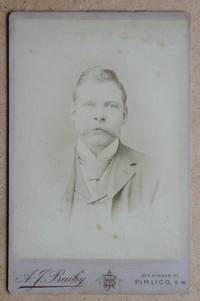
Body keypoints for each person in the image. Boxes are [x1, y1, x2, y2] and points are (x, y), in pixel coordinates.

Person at [63, 66, 161, 224]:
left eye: (110, 105)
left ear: (124, 115)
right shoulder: (43, 172)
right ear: (73, 113)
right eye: (89, 104)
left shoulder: (156, 174)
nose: (99, 116)